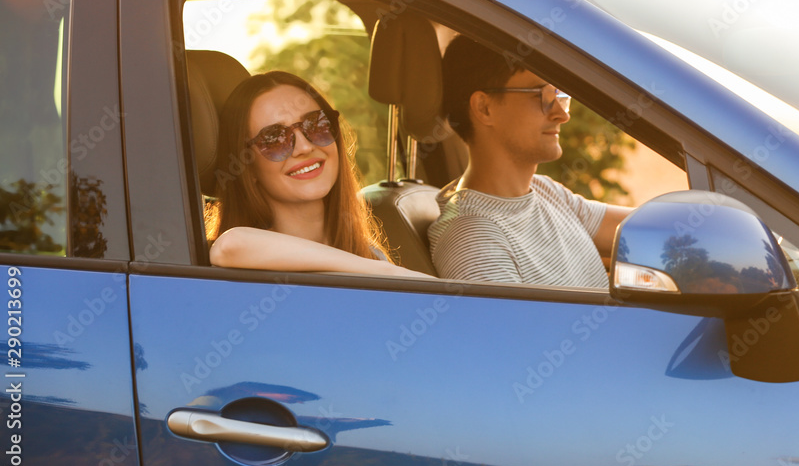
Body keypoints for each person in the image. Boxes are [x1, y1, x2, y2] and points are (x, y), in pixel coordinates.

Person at [428, 37, 633, 288]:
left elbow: (645, 232)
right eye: (543, 95)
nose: (562, 114)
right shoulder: (474, 238)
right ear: (484, 108)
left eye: (559, 94)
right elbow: (522, 328)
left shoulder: (544, 190)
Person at [206, 70, 429, 278]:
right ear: (248, 166)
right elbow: (229, 246)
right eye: (274, 138)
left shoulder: (367, 255)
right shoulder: (243, 265)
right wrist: (387, 272)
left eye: (316, 125)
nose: (304, 147)